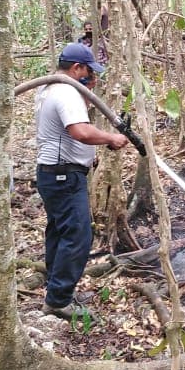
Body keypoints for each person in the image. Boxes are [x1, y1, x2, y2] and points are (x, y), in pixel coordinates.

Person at [35, 43, 127, 321]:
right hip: (63, 175)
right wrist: (111, 138)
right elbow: (79, 131)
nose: (92, 77)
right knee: (77, 236)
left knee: (59, 232)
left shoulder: (51, 88)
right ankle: (58, 300)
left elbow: (68, 129)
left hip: (56, 173)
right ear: (77, 68)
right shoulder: (65, 91)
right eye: (89, 71)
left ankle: (56, 287)